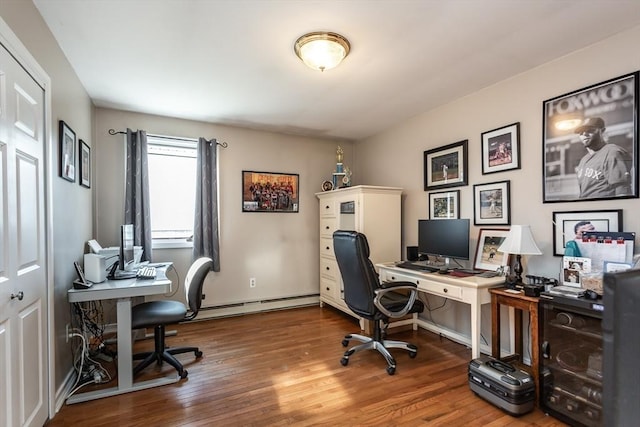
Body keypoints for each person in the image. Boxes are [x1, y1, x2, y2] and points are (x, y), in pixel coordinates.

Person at [574, 117, 633, 198]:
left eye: (590, 130)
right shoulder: (583, 160)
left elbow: (622, 190)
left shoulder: (612, 152)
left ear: (602, 131)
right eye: (580, 132)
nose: (584, 134)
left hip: (605, 207)